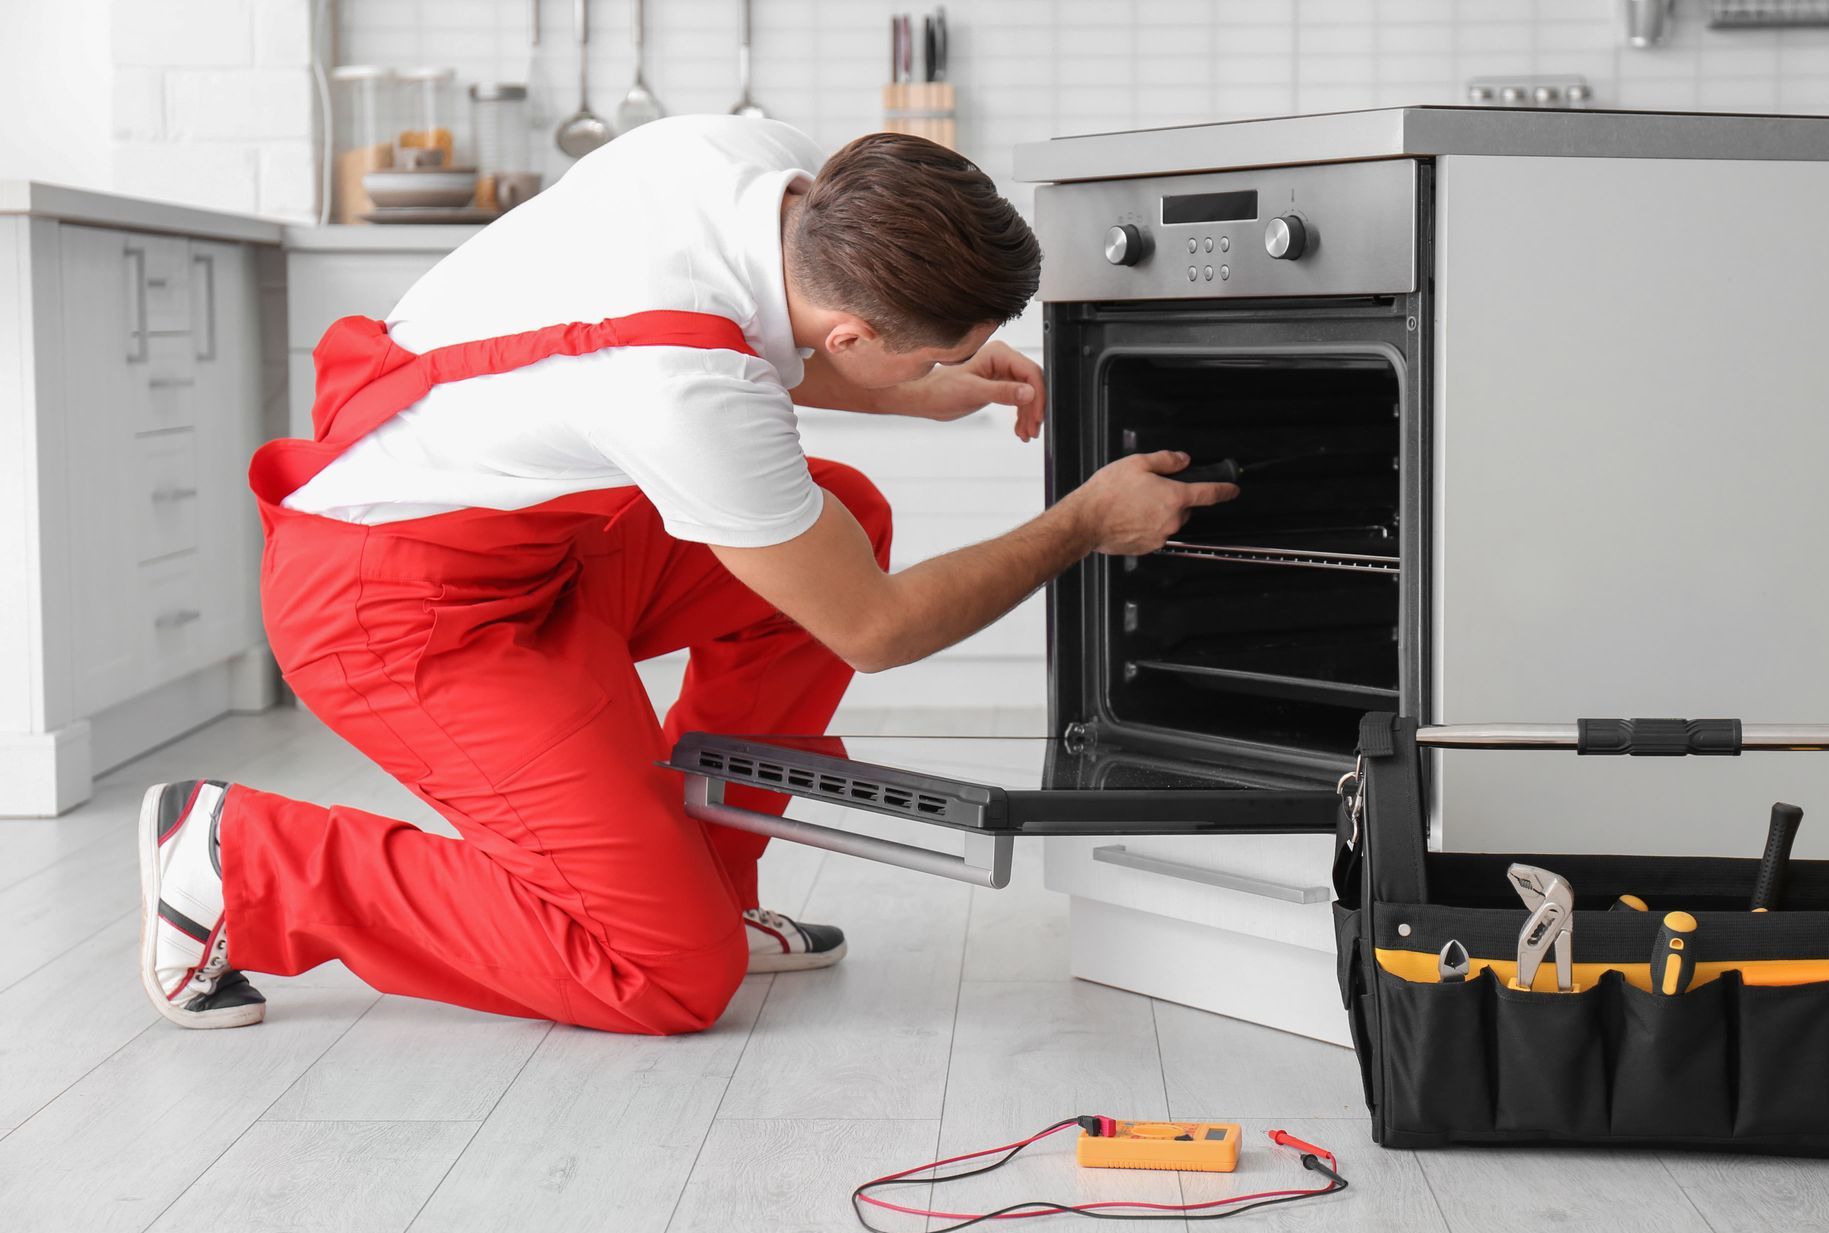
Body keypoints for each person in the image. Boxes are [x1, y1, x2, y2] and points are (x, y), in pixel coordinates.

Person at [135, 117, 1238, 1034]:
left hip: (525, 547)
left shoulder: (750, 159)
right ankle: (242, 862)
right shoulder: (682, 383)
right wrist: (1082, 524)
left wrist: (912, 384)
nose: (952, 366)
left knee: (837, 513)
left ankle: (710, 886)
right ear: (855, 328)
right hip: (391, 611)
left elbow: (722, 352)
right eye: (941, 349)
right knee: (661, 972)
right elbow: (874, 626)